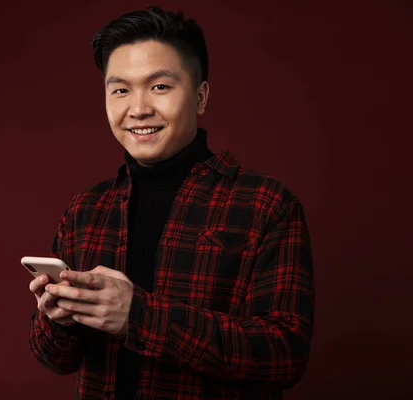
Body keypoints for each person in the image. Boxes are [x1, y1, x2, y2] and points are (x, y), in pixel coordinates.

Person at [28, 5, 314, 399]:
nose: (139, 108)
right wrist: (58, 319)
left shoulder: (266, 204)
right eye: (120, 89)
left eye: (160, 86)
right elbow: (54, 360)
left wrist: (138, 316)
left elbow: (285, 355)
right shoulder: (86, 210)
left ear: (200, 96)